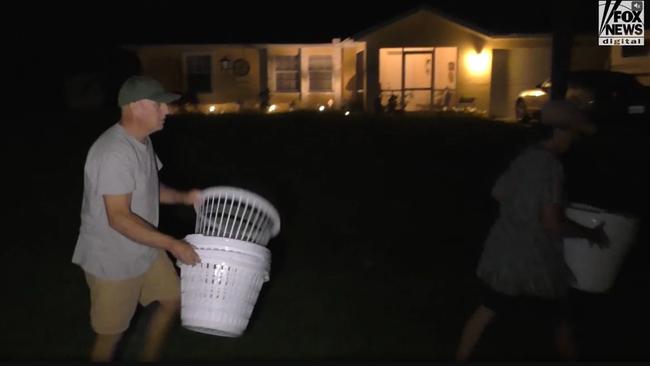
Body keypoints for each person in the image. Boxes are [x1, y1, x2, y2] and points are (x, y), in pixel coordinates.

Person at [455, 100, 610, 361]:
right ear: (560, 131)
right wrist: (590, 233)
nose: (573, 140)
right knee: (561, 319)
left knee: (487, 310)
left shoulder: (525, 157)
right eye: (572, 133)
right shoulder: (551, 166)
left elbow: (499, 193)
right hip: (535, 259)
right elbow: (551, 222)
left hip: (505, 250)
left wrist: (525, 208)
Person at [71, 75, 202, 362]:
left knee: (173, 300)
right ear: (137, 106)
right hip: (113, 258)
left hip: (143, 248)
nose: (167, 111)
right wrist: (172, 243)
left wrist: (184, 197)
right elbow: (118, 218)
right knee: (111, 335)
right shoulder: (114, 152)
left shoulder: (141, 143)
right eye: (160, 105)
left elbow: (150, 188)